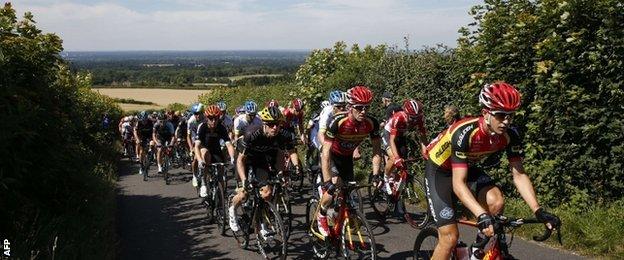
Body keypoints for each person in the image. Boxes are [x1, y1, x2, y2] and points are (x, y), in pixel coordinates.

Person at [424, 82, 561, 259]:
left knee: (496, 201)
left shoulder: (510, 134)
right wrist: (481, 215)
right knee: (450, 238)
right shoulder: (464, 132)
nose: (506, 121)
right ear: (485, 113)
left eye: (510, 116)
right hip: (440, 171)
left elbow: (519, 175)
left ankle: (477, 252)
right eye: (500, 115)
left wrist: (538, 210)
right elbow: (458, 184)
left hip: (466, 166)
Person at [316, 86, 383, 236]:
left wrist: (376, 174)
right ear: (350, 107)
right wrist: (328, 182)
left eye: (367, 107)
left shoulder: (372, 123)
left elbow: (377, 151)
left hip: (346, 159)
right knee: (332, 190)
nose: (364, 111)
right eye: (359, 107)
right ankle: (321, 215)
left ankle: (338, 216)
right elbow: (325, 152)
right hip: (332, 156)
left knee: (348, 191)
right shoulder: (337, 121)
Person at [228, 106, 299, 232]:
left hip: (259, 159)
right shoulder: (252, 134)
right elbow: (240, 160)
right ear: (264, 124)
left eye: (277, 124)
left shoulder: (282, 135)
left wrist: (288, 170)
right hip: (245, 160)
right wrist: (244, 180)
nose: (275, 128)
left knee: (267, 192)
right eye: (271, 125)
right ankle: (232, 209)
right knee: (243, 193)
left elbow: (283, 153)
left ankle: (260, 223)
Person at [380, 99, 428, 194]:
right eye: (411, 118)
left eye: (416, 117)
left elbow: (423, 137)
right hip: (389, 135)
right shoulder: (399, 117)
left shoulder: (419, 118)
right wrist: (397, 158)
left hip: (400, 135)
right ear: (405, 113)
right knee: (394, 158)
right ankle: (386, 178)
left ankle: (396, 186)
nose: (413, 120)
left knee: (404, 161)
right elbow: (392, 140)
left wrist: (425, 152)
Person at [195, 105, 236, 197]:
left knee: (220, 173)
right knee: (206, 154)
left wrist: (233, 158)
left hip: (216, 149)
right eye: (210, 118)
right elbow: (196, 146)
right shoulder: (202, 127)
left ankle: (220, 197)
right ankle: (203, 184)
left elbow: (229, 144)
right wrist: (200, 160)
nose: (213, 121)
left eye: (216, 118)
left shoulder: (221, 127)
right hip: (204, 148)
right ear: (207, 118)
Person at [187, 103, 205, 187]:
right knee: (195, 159)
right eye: (195, 114)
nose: (197, 116)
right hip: (195, 138)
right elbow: (188, 136)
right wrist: (191, 148)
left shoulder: (206, 119)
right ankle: (194, 176)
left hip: (204, 137)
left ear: (203, 112)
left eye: (199, 113)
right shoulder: (191, 121)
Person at [134, 111, 154, 175]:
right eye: (143, 120)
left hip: (149, 136)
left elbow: (154, 131)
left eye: (145, 119)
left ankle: (150, 155)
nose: (144, 121)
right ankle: (141, 166)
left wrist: (153, 139)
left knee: (152, 144)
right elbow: (135, 132)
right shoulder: (138, 123)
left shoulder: (150, 122)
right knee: (142, 151)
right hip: (141, 137)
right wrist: (137, 139)